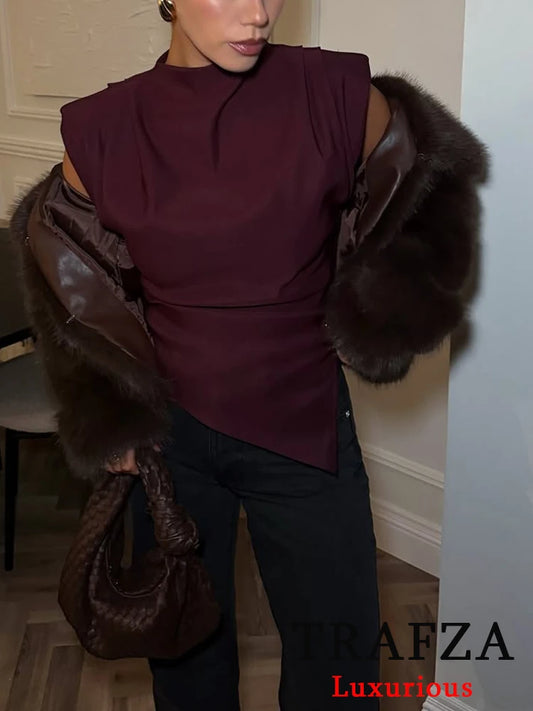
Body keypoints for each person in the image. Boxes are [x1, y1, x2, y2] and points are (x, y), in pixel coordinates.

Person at [8, 1, 489, 709]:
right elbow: (72, 273)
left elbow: (423, 189)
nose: (259, 11)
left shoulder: (335, 94)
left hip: (303, 428)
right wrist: (108, 407)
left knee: (338, 660)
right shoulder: (103, 127)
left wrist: (377, 312)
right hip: (169, 438)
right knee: (184, 654)